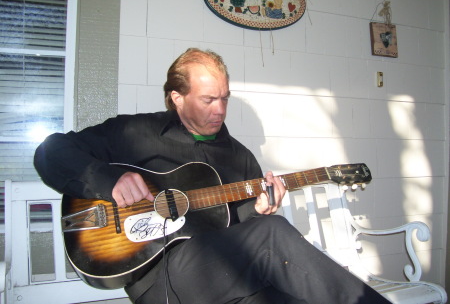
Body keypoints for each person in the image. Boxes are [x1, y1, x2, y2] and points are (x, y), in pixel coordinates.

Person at [34, 48, 391, 304]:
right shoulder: (134, 132)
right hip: (161, 279)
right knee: (273, 234)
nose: (219, 110)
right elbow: (51, 152)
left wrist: (259, 211)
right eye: (208, 100)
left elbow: (242, 236)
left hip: (226, 279)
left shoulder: (239, 158)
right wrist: (107, 181)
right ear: (177, 97)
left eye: (225, 98)